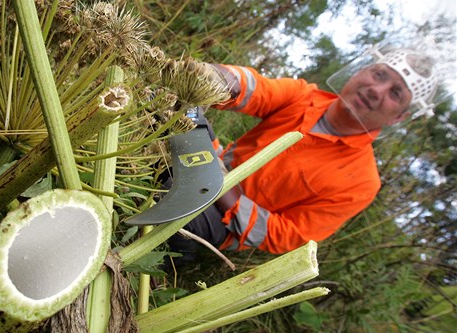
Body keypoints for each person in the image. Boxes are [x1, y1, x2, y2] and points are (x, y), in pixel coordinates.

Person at [172, 43, 442, 259]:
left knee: (176, 220)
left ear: (398, 118)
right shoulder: (304, 96)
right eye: (379, 74)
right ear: (362, 71)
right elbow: (254, 88)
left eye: (395, 93)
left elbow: (285, 235)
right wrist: (212, 79)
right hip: (211, 163)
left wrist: (222, 189)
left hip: (224, 218)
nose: (376, 90)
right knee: (177, 112)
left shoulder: (361, 182)